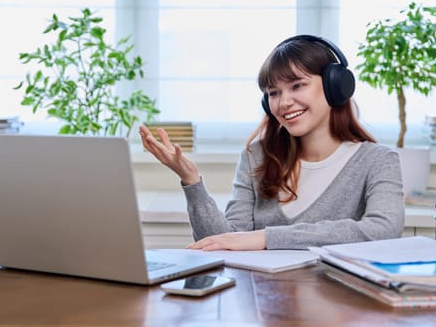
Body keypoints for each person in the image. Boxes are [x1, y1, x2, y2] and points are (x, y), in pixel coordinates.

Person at [139, 34, 404, 251]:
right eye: (273, 93)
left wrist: (266, 238)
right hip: (264, 305)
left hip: (340, 307)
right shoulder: (257, 156)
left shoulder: (378, 160)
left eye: (297, 86)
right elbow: (223, 242)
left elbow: (383, 230)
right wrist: (191, 179)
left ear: (336, 86)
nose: (283, 102)